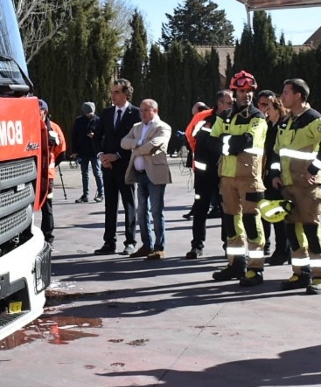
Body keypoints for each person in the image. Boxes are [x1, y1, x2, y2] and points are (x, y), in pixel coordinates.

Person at [274, 78, 321, 294]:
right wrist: (275, 173)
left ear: (298, 95)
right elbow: (277, 151)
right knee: (292, 231)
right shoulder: (286, 121)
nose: (282, 96)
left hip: (307, 187)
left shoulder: (313, 119)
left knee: (311, 230)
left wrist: (313, 169)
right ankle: (301, 272)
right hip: (288, 186)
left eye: (286, 92)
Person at [210, 71, 271, 286]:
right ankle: (236, 264)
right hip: (227, 178)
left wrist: (226, 142)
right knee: (231, 224)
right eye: (242, 91)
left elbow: (245, 141)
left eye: (250, 91)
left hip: (249, 178)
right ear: (234, 92)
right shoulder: (225, 115)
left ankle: (256, 269)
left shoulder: (257, 117)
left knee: (252, 223)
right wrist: (229, 143)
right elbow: (210, 141)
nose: (247, 95)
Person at [122, 98, 174, 259]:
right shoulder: (137, 127)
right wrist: (138, 142)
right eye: (141, 110)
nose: (142, 113)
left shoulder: (163, 127)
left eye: (146, 110)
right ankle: (147, 245)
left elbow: (154, 146)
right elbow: (123, 142)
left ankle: (159, 247)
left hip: (156, 175)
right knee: (141, 211)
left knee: (156, 211)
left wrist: (136, 148)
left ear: (155, 111)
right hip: (140, 175)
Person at [93, 79, 139, 256]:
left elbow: (136, 141)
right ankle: (109, 242)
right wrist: (101, 156)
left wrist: (118, 155)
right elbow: (97, 138)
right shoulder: (106, 113)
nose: (112, 95)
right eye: (112, 92)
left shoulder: (135, 114)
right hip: (108, 166)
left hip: (126, 166)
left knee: (129, 204)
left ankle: (130, 242)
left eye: (116, 92)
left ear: (126, 94)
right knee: (110, 205)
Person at [185, 93, 230, 258]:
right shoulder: (202, 117)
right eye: (229, 102)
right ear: (219, 103)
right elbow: (189, 136)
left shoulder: (233, 118)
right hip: (203, 172)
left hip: (225, 171)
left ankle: (228, 245)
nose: (232, 105)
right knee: (200, 209)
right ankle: (197, 245)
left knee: (227, 209)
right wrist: (198, 155)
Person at [257, 90, 291, 266]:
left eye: (268, 107)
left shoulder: (282, 126)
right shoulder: (270, 125)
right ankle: (284, 250)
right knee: (272, 214)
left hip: (278, 177)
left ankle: (283, 251)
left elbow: (277, 154)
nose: (265, 110)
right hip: (269, 175)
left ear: (278, 107)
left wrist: (275, 174)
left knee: (279, 216)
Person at [38, 99, 66, 246]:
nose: (37, 114)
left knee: (47, 206)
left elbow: (61, 151)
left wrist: (51, 165)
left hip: (47, 175)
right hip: (33, 173)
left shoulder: (54, 128)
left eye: (39, 111)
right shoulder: (28, 126)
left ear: (45, 112)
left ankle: (48, 237)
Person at [70, 102, 104, 203]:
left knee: (97, 172)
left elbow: (104, 136)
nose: (89, 115)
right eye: (87, 113)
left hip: (95, 151)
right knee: (84, 173)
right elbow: (74, 136)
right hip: (83, 151)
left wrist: (95, 136)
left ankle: (101, 193)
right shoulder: (79, 121)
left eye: (91, 113)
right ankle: (85, 194)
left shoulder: (98, 120)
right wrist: (74, 151)